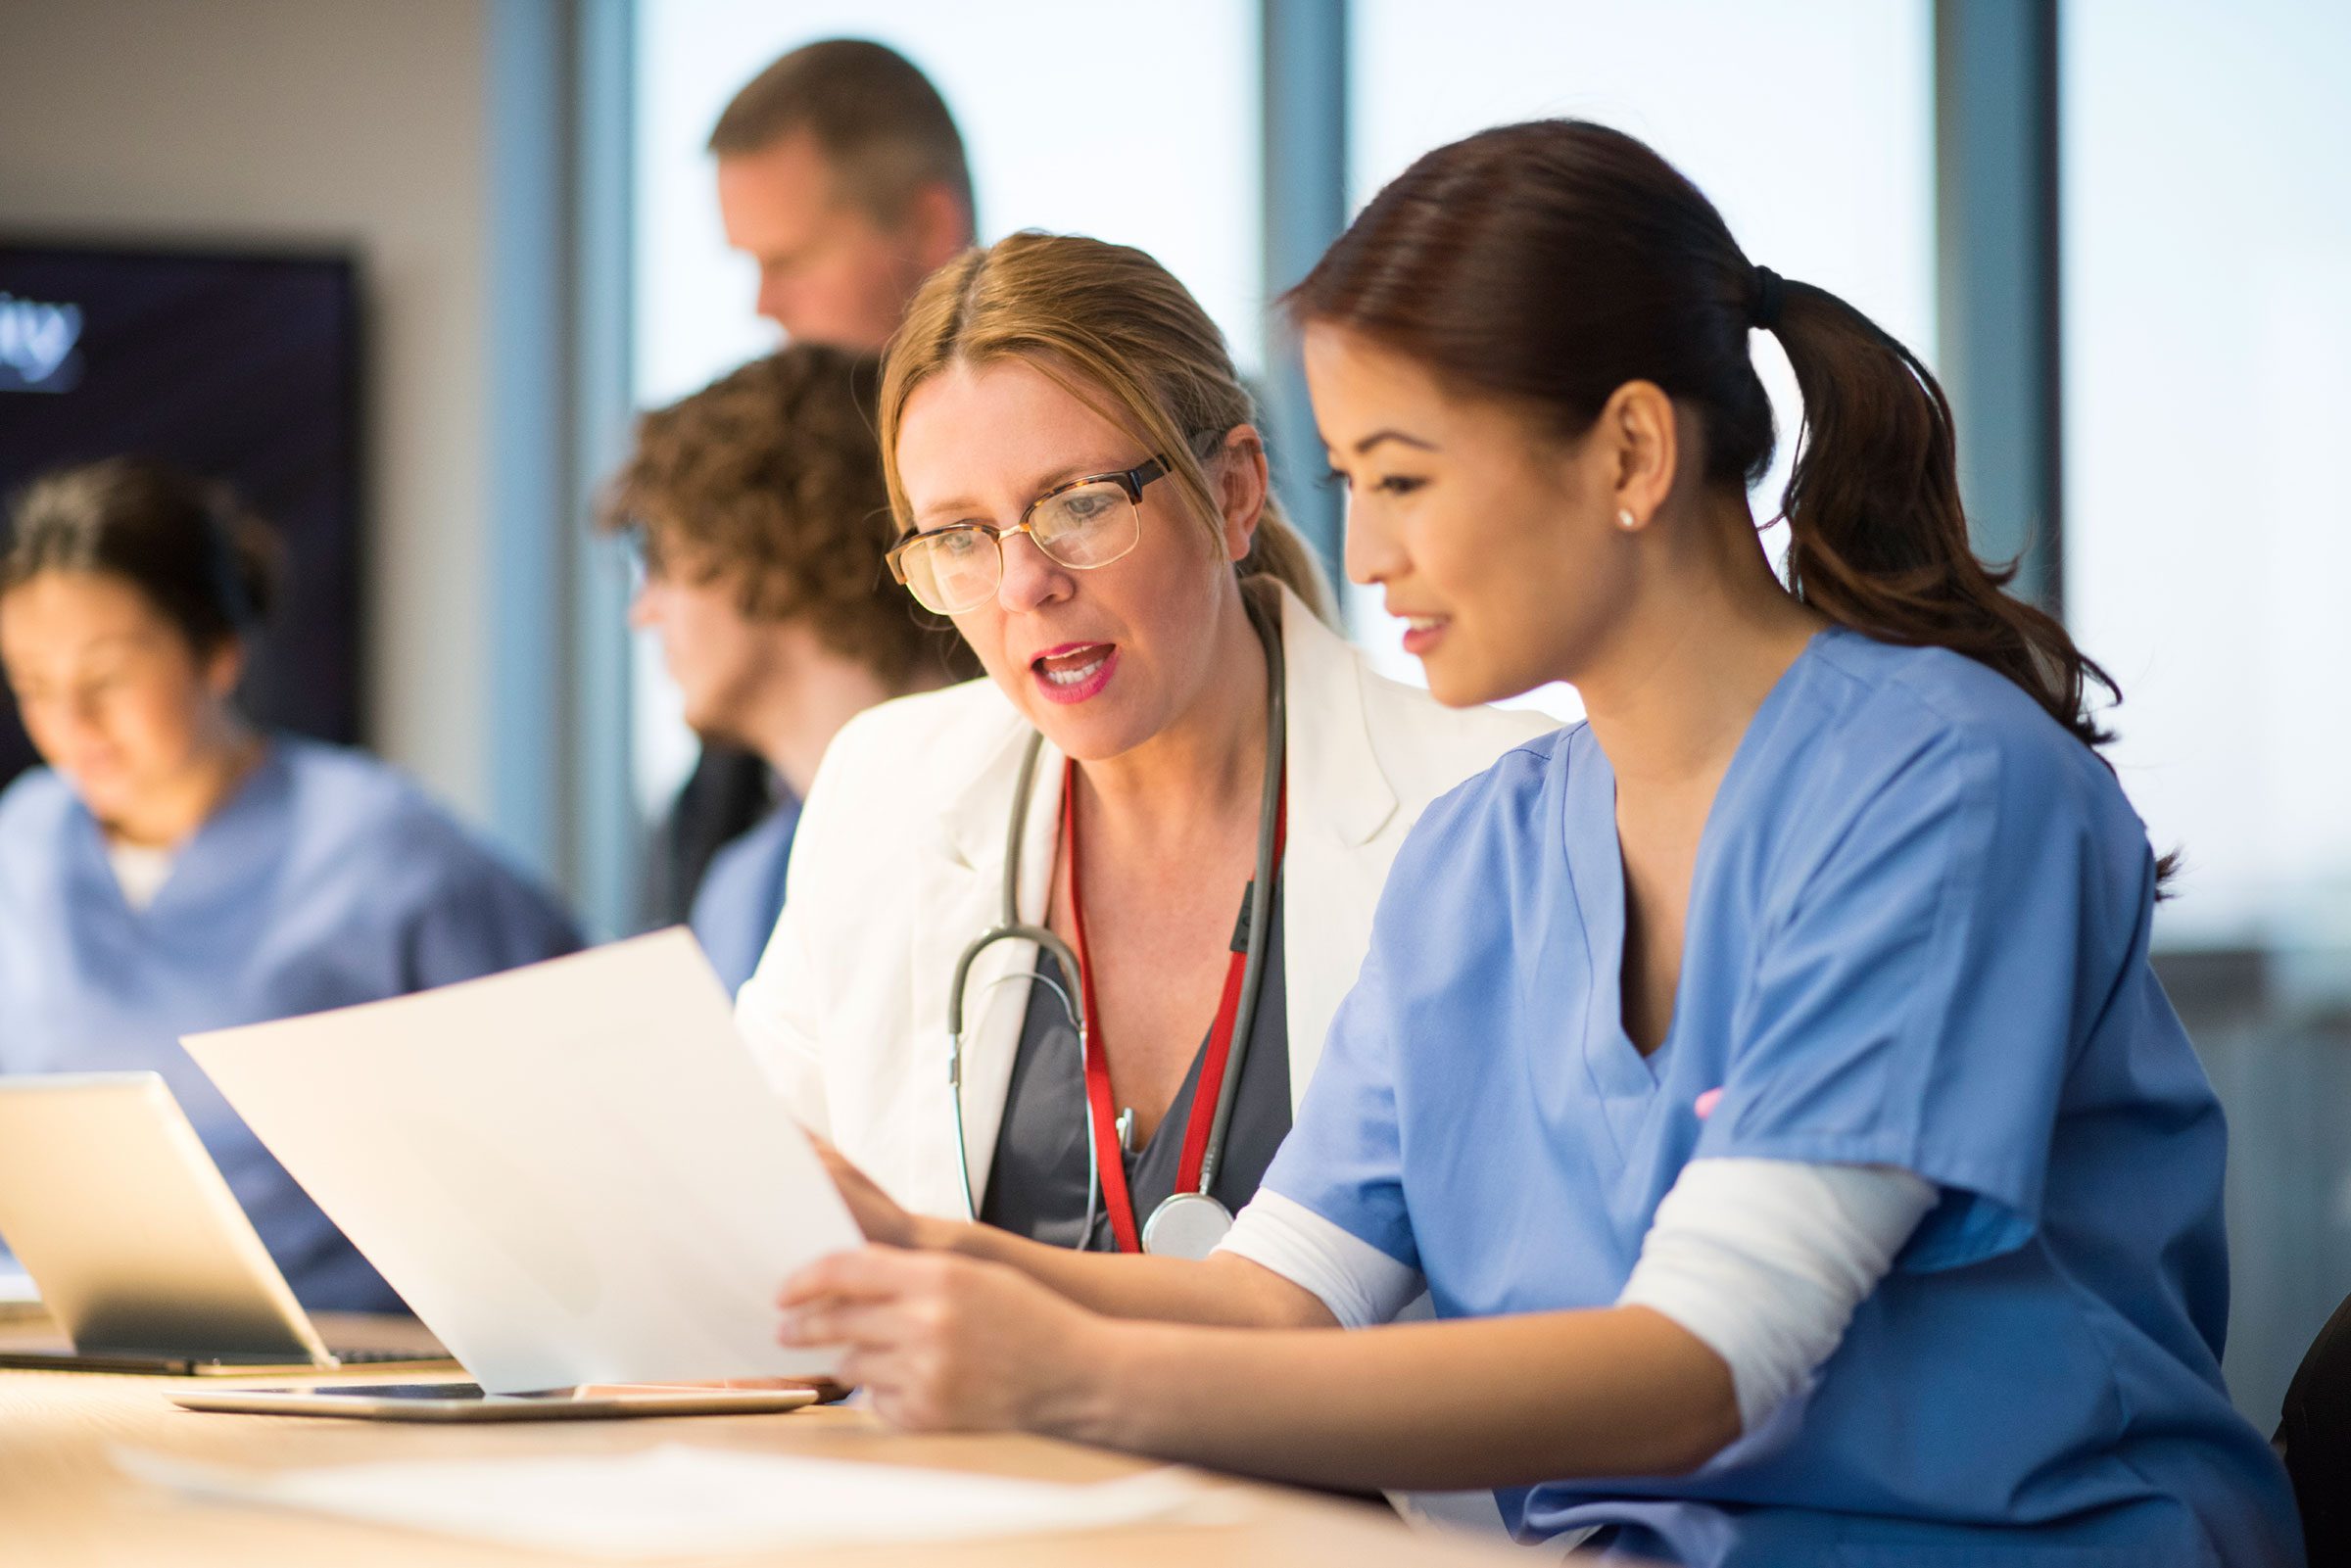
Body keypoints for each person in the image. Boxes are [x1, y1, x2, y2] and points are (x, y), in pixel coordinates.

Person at [770, 124, 2304, 1566]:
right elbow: (1278, 1301)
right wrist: (925, 1249)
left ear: (1631, 454)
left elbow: (1708, 1363)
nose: (1364, 556)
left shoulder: (1939, 789)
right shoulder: (1485, 854)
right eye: (1357, 486)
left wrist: (1083, 1377)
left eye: (1407, 478)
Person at [735, 231, 1548, 1264]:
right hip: (940, 1436)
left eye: (1077, 505)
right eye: (959, 536)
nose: (1025, 584)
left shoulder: (1491, 799)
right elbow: (755, 1226)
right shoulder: (884, 787)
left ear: (1233, 493)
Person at [0, 458, 580, 1310]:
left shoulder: (380, 846)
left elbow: (581, 1083)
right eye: (34, 687)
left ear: (219, 651)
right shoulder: (25, 835)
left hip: (341, 1355)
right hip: (57, 1340)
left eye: (108, 677)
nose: (72, 724)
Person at [655, 38, 980, 929]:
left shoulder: (1144, 430)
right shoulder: (734, 837)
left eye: (790, 261)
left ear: (926, 227)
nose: (763, 306)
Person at [601, 345, 976, 993]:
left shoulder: (1010, 816)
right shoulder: (740, 890)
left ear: (761, 539)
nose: (643, 612)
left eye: (659, 559)